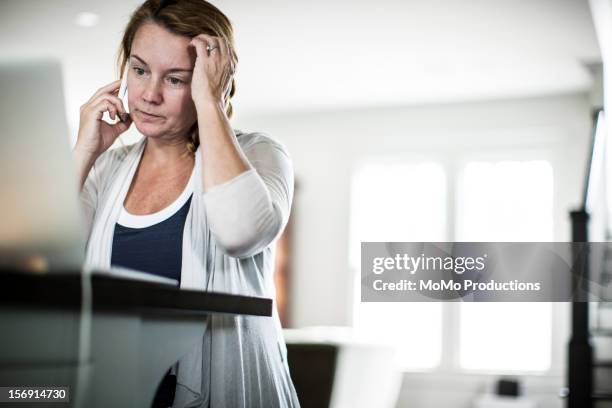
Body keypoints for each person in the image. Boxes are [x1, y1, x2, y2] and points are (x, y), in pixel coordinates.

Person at [72, 0, 300, 406]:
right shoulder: (108, 169)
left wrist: (211, 103)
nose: (149, 94)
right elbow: (39, 262)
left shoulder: (261, 154)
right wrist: (83, 152)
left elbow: (240, 233)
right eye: (139, 70)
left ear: (211, 81)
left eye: (176, 80)